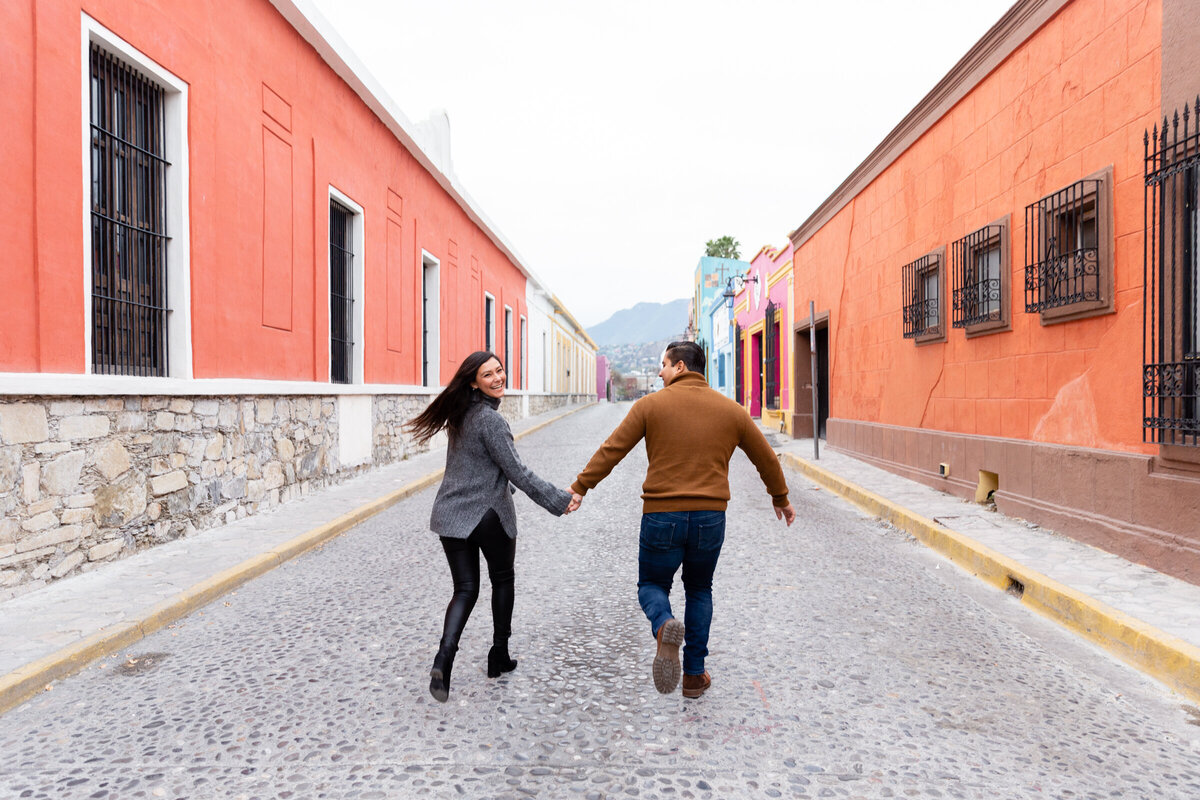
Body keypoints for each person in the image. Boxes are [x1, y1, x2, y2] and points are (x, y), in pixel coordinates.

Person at [568, 341, 795, 698]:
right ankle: (693, 674)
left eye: (664, 365)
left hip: (661, 515)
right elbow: (765, 457)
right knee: (699, 588)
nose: (659, 372)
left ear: (682, 368)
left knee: (652, 586)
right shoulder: (732, 411)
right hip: (710, 517)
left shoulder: (650, 406)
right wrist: (779, 497)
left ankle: (663, 626)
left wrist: (581, 486)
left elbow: (613, 449)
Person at [406, 351, 580, 703]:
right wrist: (559, 500)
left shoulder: (461, 414)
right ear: (474, 382)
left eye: (500, 370)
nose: (498, 377)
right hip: (487, 514)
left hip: (450, 514)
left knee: (465, 589)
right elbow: (518, 471)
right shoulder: (490, 420)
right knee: (502, 579)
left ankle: (444, 659)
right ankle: (498, 654)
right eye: (488, 374)